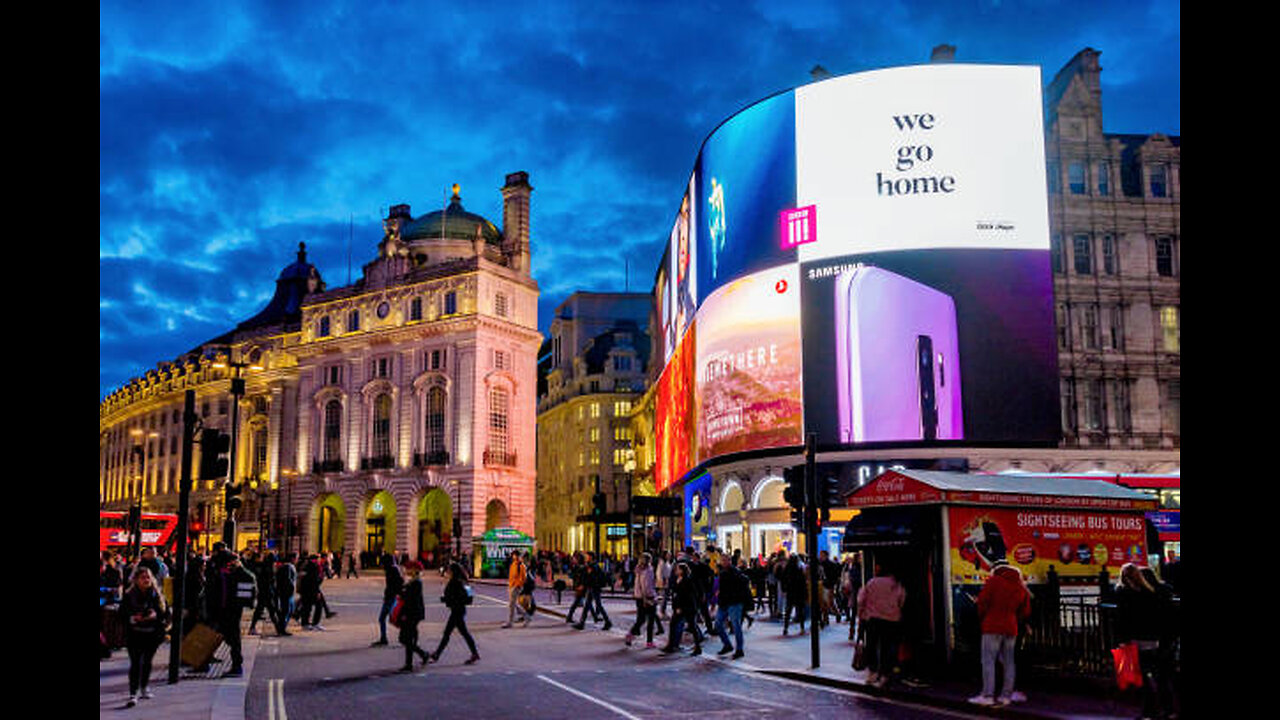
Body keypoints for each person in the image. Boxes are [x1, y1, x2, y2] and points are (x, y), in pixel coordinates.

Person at [1115, 563, 1176, 720]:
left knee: (1141, 678)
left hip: (1135, 640)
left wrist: (1122, 640)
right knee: (1160, 676)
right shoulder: (1157, 593)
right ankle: (1169, 709)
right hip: (1156, 639)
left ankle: (1150, 711)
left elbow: (1123, 619)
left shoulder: (1125, 593)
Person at [969, 560, 1032, 706]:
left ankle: (988, 695)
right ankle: (1006, 695)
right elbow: (1025, 610)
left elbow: (982, 603)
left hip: (992, 625)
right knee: (1009, 662)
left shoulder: (993, 582)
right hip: (1011, 627)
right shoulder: (1020, 586)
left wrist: (983, 616)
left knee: (988, 661)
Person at [120, 566, 170, 707]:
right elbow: (122, 614)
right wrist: (133, 618)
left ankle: (144, 687)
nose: (146, 580)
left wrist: (156, 615)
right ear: (136, 580)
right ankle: (133, 693)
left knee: (147, 661)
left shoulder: (156, 594)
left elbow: (165, 613)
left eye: (148, 577)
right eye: (143, 578)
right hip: (134, 633)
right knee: (135, 663)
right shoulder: (129, 595)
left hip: (152, 633)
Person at [208, 549, 256, 678]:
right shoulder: (222, 573)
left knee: (232, 638)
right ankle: (205, 662)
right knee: (227, 636)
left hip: (230, 611)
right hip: (222, 610)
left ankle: (237, 666)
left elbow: (244, 593)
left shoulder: (238, 574)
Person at [857, 562, 906, 688]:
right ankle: (884, 674)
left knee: (872, 646)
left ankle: (872, 674)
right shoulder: (896, 584)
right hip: (891, 620)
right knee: (887, 647)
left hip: (873, 619)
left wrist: (861, 615)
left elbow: (861, 600)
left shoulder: (872, 582)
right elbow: (902, 599)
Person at [428, 561, 479, 665]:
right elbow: (466, 596)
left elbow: (454, 596)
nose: (448, 572)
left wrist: (445, 599)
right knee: (461, 633)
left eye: (449, 570)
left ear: (453, 571)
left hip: (457, 610)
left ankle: (437, 654)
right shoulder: (462, 581)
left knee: (449, 633)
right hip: (459, 610)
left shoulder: (455, 582)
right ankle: (474, 653)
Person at [660, 562, 703, 656]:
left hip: (687, 607)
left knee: (692, 626)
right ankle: (671, 645)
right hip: (680, 607)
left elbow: (688, 595)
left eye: (678, 569)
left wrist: (680, 607)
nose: (676, 570)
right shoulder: (678, 579)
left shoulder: (688, 580)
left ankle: (697, 647)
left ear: (683, 570)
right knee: (674, 625)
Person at [395, 562, 430, 671]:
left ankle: (411, 662)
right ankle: (422, 654)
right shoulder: (413, 582)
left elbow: (411, 600)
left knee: (405, 638)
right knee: (407, 638)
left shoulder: (416, 583)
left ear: (414, 570)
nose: (406, 570)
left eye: (408, 568)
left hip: (412, 614)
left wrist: (405, 614)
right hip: (413, 613)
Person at [713, 554, 748, 659]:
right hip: (725, 602)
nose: (723, 562)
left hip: (734, 602)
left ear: (729, 561)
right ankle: (727, 644)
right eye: (722, 560)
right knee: (718, 624)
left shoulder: (736, 572)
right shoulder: (723, 573)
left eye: (725, 560)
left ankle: (739, 649)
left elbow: (744, 582)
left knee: (736, 625)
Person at [626, 553, 661, 649]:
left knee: (641, 619)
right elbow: (646, 585)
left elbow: (639, 585)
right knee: (651, 620)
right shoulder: (649, 571)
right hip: (647, 597)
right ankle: (649, 641)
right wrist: (650, 597)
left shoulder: (638, 570)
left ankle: (631, 634)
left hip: (639, 597)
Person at [374, 552, 404, 646]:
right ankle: (384, 638)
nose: (382, 565)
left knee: (392, 618)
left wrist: (395, 594)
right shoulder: (393, 569)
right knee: (387, 618)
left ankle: (405, 636)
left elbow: (396, 584)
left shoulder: (392, 570)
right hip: (390, 597)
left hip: (391, 598)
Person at [248, 551, 280, 636]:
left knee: (260, 610)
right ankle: (278, 629)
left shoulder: (263, 566)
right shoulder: (268, 568)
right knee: (271, 610)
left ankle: (252, 627)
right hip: (267, 592)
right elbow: (269, 581)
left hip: (264, 592)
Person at [503, 550, 530, 628]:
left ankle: (510, 622)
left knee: (512, 605)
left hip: (516, 586)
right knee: (513, 604)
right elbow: (511, 575)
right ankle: (527, 617)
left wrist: (517, 585)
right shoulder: (513, 564)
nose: (513, 556)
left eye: (514, 555)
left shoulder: (520, 565)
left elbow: (524, 577)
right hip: (511, 585)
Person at [782, 554, 807, 636]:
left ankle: (785, 628)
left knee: (788, 611)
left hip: (790, 592)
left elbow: (784, 580)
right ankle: (802, 628)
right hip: (799, 592)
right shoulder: (800, 569)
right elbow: (803, 582)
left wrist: (784, 590)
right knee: (800, 611)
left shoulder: (787, 569)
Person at [274, 553, 297, 636]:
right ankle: (281, 628)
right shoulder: (288, 567)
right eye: (296, 558)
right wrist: (291, 589)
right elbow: (288, 580)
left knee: (289, 610)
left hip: (286, 592)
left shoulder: (285, 567)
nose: (296, 560)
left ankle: (282, 627)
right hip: (286, 593)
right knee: (287, 610)